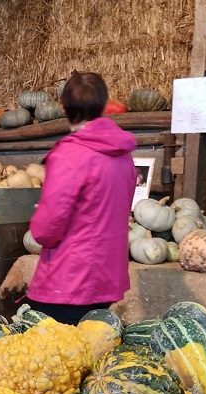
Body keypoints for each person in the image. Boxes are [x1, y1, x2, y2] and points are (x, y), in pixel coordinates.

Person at [26, 72, 137, 325]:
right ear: (104, 104)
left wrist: (39, 214)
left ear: (63, 107)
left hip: (68, 280)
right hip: (106, 276)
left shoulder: (69, 155)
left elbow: (46, 231)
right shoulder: (123, 155)